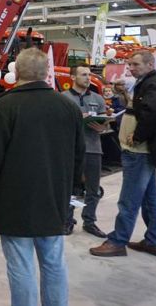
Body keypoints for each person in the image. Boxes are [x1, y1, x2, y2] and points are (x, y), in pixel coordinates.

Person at [0, 48, 84, 306]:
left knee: (20, 265)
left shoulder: (3, 108)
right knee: (54, 262)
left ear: (16, 72)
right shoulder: (68, 107)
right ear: (46, 73)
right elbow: (79, 156)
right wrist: (75, 192)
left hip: (13, 202)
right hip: (54, 199)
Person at [90, 50, 156, 257]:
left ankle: (117, 241)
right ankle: (155, 241)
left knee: (129, 199)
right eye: (129, 64)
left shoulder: (153, 84)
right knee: (149, 198)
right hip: (139, 151)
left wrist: (138, 136)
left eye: (135, 64)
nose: (130, 68)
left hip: (138, 152)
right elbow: (138, 110)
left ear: (150, 65)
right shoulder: (146, 83)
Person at [63, 64, 109, 238]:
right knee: (70, 188)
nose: (88, 78)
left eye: (89, 75)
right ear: (73, 77)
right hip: (71, 150)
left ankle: (89, 221)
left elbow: (105, 124)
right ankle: (68, 221)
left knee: (93, 188)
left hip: (93, 148)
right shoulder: (63, 98)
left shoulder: (98, 99)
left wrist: (102, 128)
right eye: (83, 75)